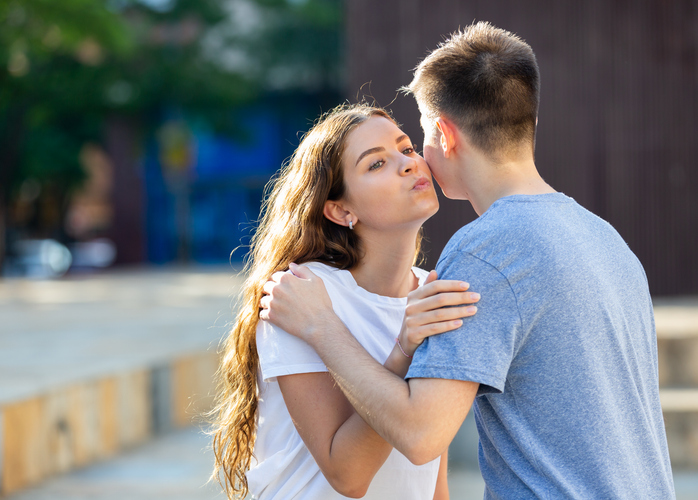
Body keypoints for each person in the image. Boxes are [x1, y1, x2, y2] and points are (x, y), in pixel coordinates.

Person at [260, 22, 676, 499]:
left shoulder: (485, 250)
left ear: (444, 134)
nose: (412, 162)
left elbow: (421, 435)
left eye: (412, 143)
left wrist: (323, 328)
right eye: (378, 162)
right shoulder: (608, 240)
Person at [210, 103, 480, 499]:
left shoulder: (432, 289)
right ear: (341, 210)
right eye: (375, 164)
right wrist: (400, 349)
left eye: (406, 149)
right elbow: (347, 474)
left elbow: (429, 471)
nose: (408, 164)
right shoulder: (301, 295)